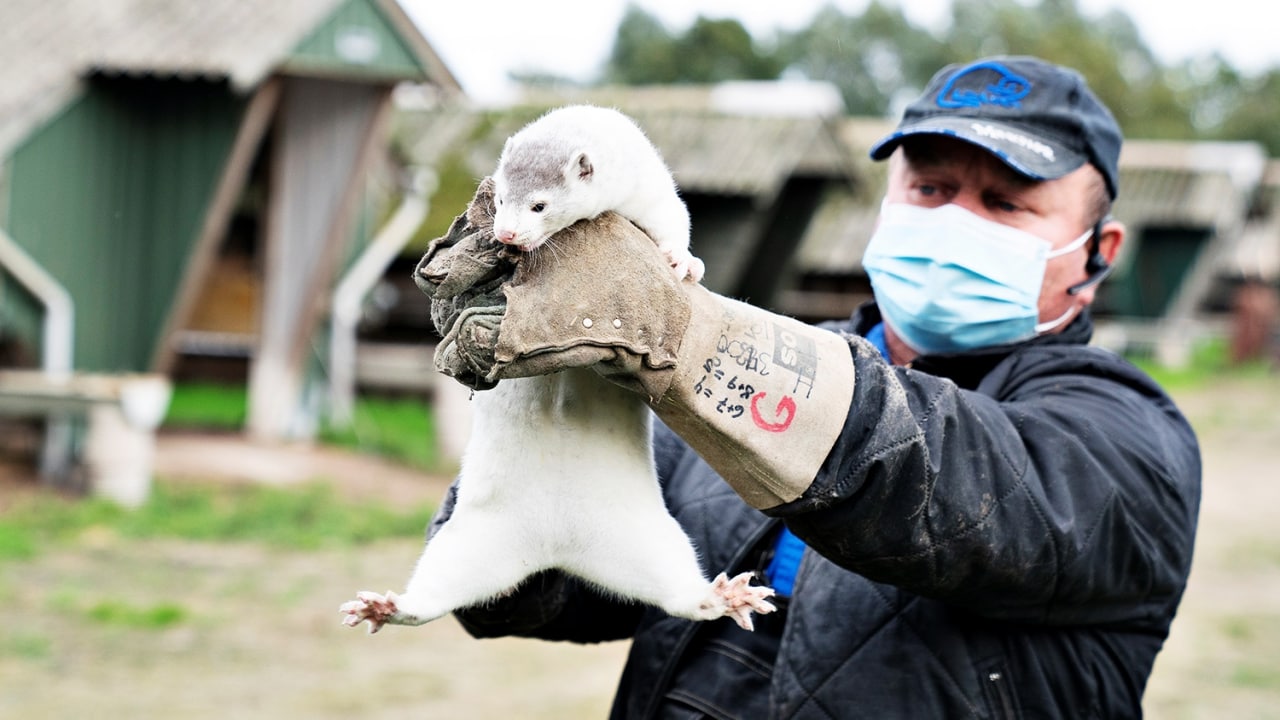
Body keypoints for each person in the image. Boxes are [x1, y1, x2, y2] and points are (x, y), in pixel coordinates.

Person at [419, 55, 1201, 719]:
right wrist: (526, 436)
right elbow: (571, 582)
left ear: (1100, 252)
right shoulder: (748, 371)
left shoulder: (1130, 438)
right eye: (930, 189)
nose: (954, 221)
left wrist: (686, 336)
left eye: (1004, 202)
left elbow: (947, 474)